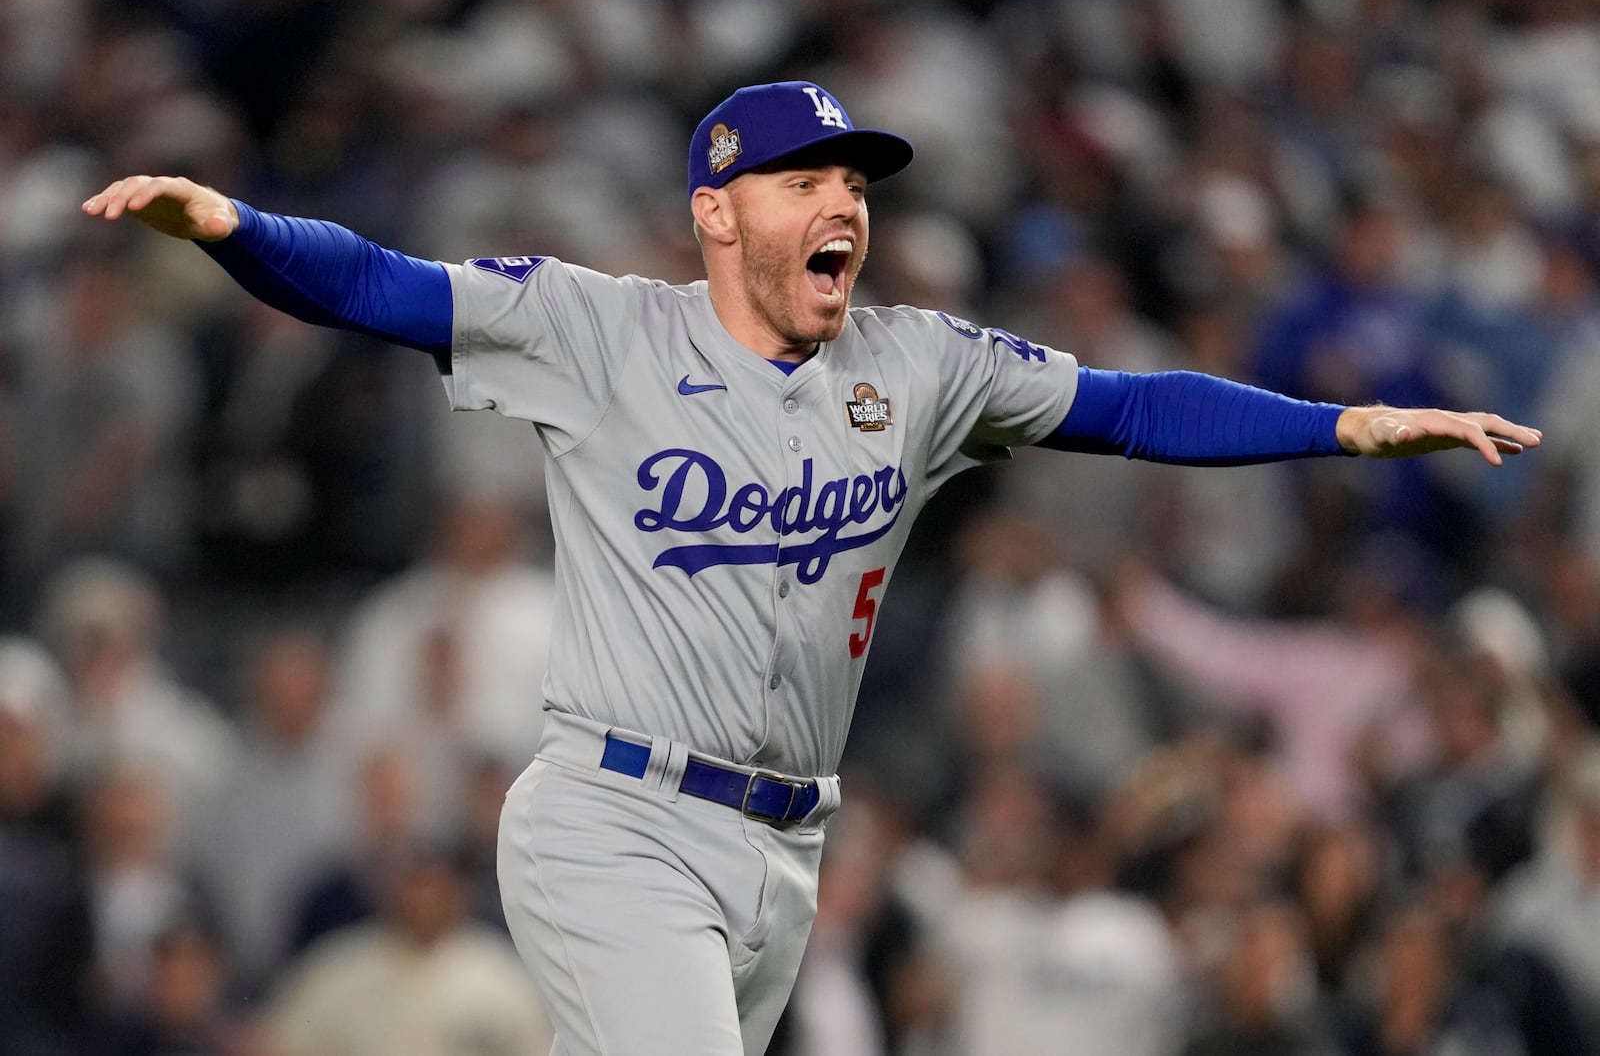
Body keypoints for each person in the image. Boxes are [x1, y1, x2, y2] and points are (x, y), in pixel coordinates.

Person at [84, 79, 1541, 1056]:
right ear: (717, 212)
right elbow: (374, 284)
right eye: (804, 181)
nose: (842, 203)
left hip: (786, 851)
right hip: (616, 817)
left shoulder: (919, 366)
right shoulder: (598, 330)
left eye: (854, 180)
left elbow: (1134, 407)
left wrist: (1345, 426)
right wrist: (227, 228)